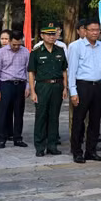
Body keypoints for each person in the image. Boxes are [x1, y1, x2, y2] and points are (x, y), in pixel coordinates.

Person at [68, 19, 101, 163]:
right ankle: (77, 151)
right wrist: (73, 92)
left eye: (97, 30)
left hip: (98, 86)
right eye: (92, 30)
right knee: (78, 120)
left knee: (95, 120)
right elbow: (72, 71)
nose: (95, 33)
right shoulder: (76, 46)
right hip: (82, 86)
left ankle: (91, 151)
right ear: (85, 31)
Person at [28, 22, 69, 157]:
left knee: (54, 116)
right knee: (41, 116)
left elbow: (64, 70)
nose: (52, 37)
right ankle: (40, 146)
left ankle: (52, 145)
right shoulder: (36, 52)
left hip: (57, 86)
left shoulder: (60, 50)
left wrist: (65, 87)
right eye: (49, 34)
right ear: (42, 36)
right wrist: (33, 91)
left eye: (53, 34)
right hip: (42, 86)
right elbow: (31, 72)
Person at [0, 30, 31, 148]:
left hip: (20, 84)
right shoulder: (1, 52)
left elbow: (28, 71)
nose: (16, 47)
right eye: (14, 44)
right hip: (6, 84)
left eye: (19, 44)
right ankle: (2, 138)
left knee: (19, 113)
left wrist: (28, 87)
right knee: (3, 112)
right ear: (9, 41)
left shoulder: (25, 52)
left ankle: (17, 138)